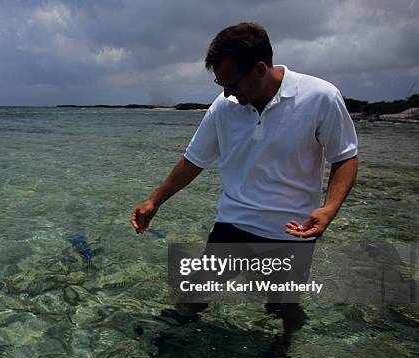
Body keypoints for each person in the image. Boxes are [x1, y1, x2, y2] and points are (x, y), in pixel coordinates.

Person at [130, 22, 358, 328]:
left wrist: (329, 209)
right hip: (233, 223)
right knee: (192, 298)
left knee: (284, 311)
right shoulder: (223, 107)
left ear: (260, 69)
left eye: (233, 84)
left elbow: (344, 157)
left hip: (291, 231)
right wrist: (154, 200)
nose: (227, 93)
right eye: (220, 85)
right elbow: (193, 161)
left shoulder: (321, 97)